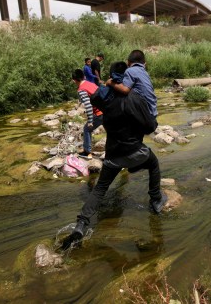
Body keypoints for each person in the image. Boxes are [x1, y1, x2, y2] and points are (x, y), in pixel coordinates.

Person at [61, 62, 166, 250]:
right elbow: (151, 127)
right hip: (136, 152)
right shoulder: (136, 98)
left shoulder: (105, 98)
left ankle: (81, 225)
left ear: (110, 77)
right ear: (126, 77)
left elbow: (94, 97)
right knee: (153, 164)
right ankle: (156, 201)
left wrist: (107, 86)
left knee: (100, 189)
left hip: (112, 156)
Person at [107, 49, 157, 119]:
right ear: (144, 63)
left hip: (145, 113)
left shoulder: (130, 71)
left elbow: (125, 90)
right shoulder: (145, 72)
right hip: (153, 110)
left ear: (128, 62)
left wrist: (110, 82)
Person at [71, 69, 103, 159]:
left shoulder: (81, 89)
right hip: (107, 110)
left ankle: (87, 152)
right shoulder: (90, 83)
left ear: (74, 80)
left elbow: (88, 105)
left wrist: (90, 121)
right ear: (84, 76)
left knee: (87, 129)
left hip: (99, 113)